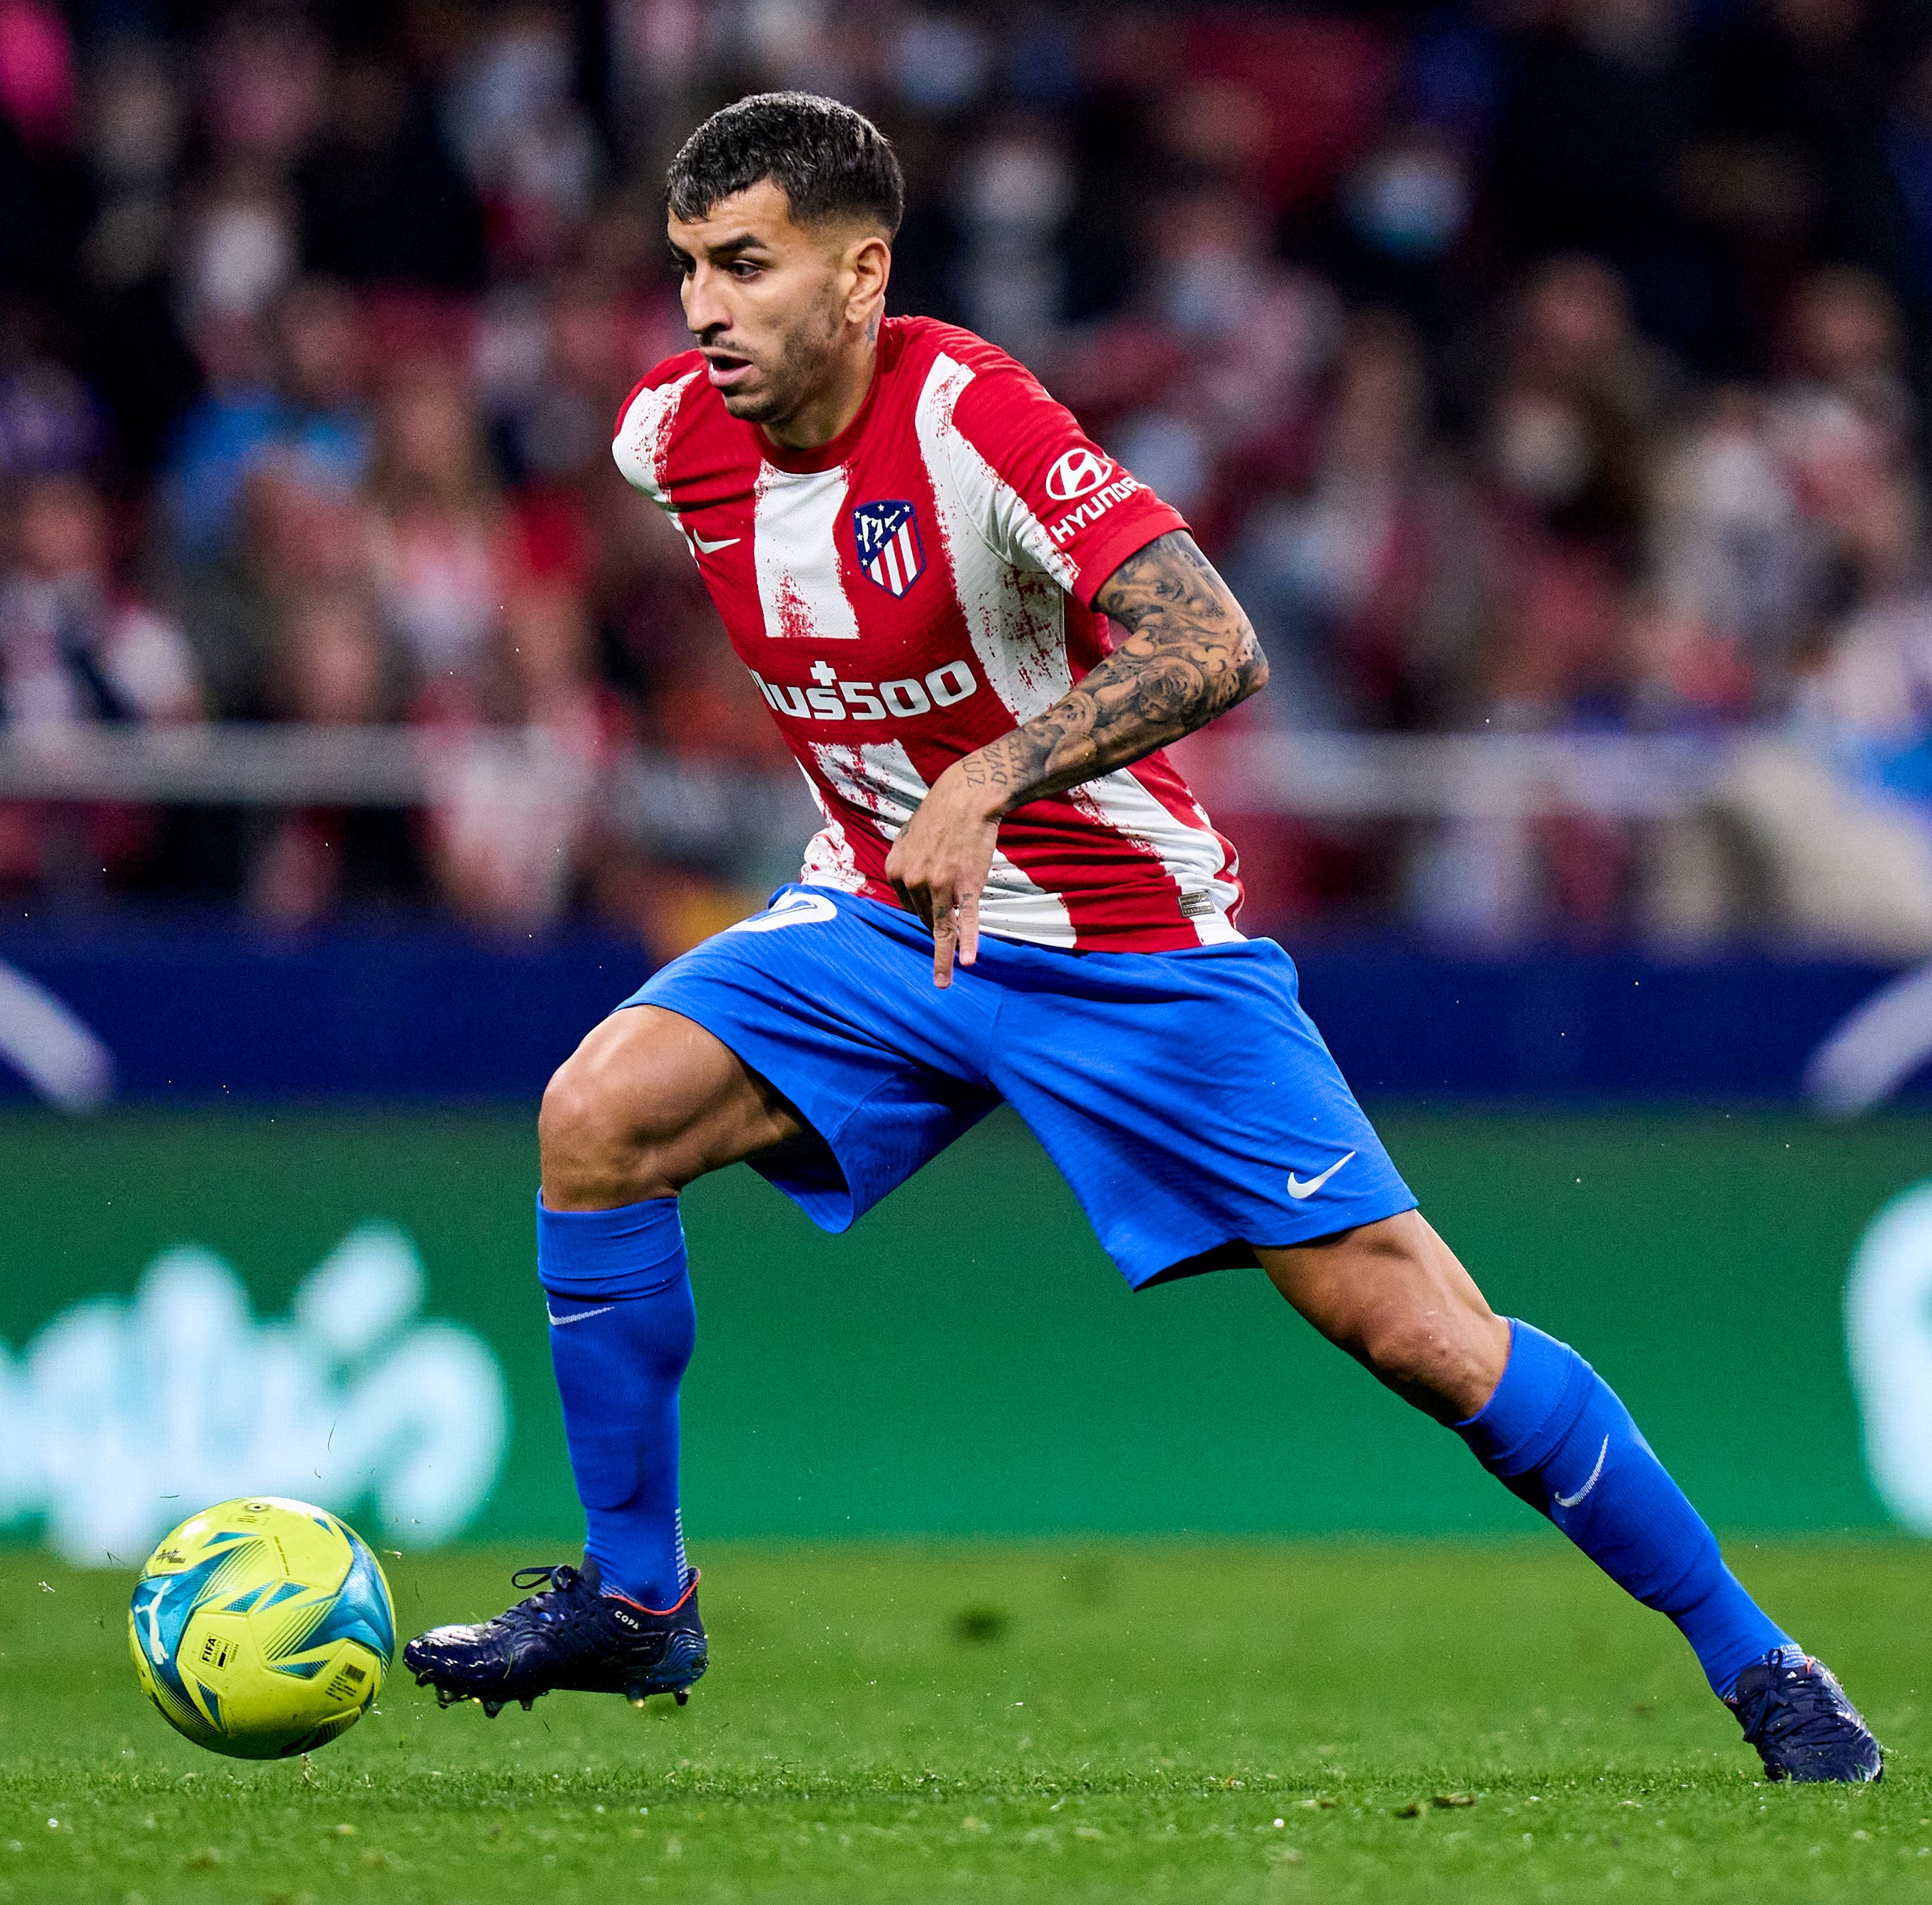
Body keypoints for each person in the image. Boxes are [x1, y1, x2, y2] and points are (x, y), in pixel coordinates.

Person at [399, 93, 1882, 1785]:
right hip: (884, 923)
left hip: (1123, 944)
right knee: (597, 1118)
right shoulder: (669, 438)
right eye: (687, 270)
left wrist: (994, 773)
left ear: (863, 271)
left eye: (747, 266)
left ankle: (1761, 1664)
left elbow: (1214, 639)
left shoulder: (973, 419)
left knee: (1419, 1332)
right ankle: (640, 1601)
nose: (704, 310)